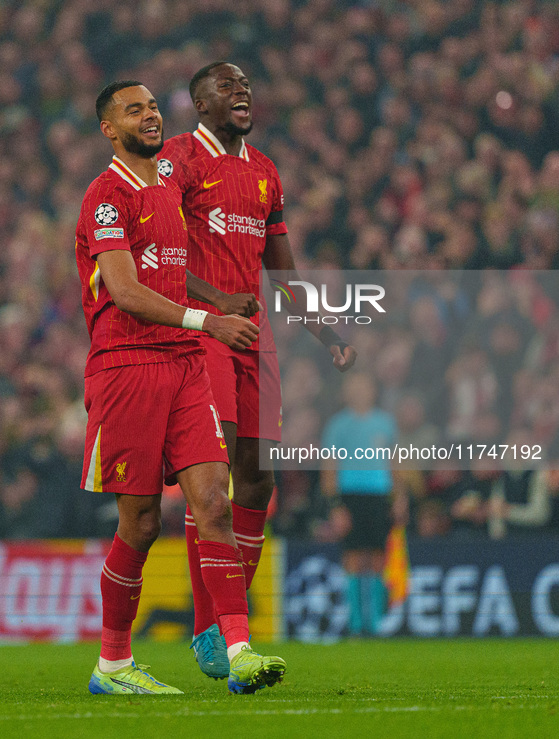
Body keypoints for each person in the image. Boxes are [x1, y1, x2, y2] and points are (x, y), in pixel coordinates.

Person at [76, 80, 286, 695]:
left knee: (214, 501)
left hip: (186, 361)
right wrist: (212, 319)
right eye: (131, 110)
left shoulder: (170, 187)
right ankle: (113, 664)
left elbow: (178, 279)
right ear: (109, 130)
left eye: (150, 106)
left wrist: (215, 304)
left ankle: (238, 649)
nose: (148, 115)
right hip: (127, 366)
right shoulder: (106, 197)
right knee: (140, 524)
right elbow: (126, 291)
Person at [159, 62, 356, 678]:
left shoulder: (266, 171)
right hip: (203, 334)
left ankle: (222, 620)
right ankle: (215, 630)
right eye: (226, 86)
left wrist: (323, 326)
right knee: (211, 482)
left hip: (256, 338)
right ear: (198, 104)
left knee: (259, 482)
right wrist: (214, 302)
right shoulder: (179, 160)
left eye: (246, 85)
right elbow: (157, 254)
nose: (241, 92)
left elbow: (285, 274)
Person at [320, 372, 406, 635]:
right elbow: (329, 468)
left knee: (379, 557)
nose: (359, 391)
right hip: (351, 497)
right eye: (354, 386)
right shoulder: (338, 425)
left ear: (373, 390)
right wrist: (335, 505)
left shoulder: (385, 423)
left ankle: (376, 622)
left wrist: (399, 496)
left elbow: (395, 463)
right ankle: (356, 623)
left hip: (379, 496)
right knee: (354, 557)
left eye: (364, 385)